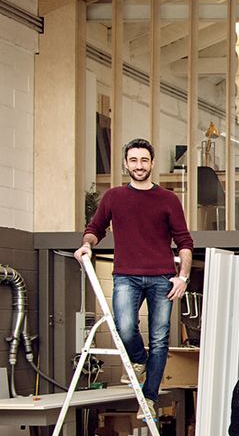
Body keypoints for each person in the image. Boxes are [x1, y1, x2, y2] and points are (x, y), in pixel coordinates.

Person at [75, 138, 193, 419]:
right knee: (125, 327)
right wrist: (87, 245)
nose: (139, 166)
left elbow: (184, 242)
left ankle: (149, 398)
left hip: (162, 278)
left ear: (152, 163)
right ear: (126, 164)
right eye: (133, 161)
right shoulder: (114, 197)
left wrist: (183, 277)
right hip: (126, 276)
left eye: (144, 160)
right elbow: (95, 228)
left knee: (160, 339)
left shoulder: (168, 199)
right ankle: (139, 361)